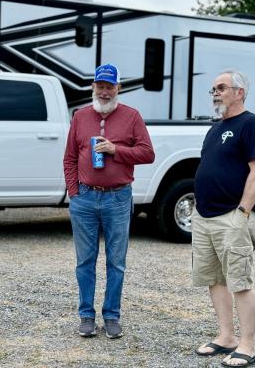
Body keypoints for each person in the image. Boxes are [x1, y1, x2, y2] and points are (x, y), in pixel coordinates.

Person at [63, 63, 155, 339]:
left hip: (117, 197)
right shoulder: (80, 116)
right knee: (85, 261)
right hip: (85, 198)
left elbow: (147, 153)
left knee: (116, 261)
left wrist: (117, 150)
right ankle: (86, 316)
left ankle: (112, 315)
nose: (104, 92)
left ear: (119, 88)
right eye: (100, 86)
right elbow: (69, 157)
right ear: (93, 87)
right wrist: (73, 191)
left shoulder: (132, 117)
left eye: (109, 87)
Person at [192, 70, 255, 367]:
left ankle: (247, 345)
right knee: (214, 279)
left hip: (233, 216)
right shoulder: (216, 128)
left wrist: (243, 213)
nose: (215, 92)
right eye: (213, 88)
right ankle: (226, 337)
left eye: (221, 87)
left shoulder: (251, 124)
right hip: (205, 216)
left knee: (240, 281)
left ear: (240, 92)